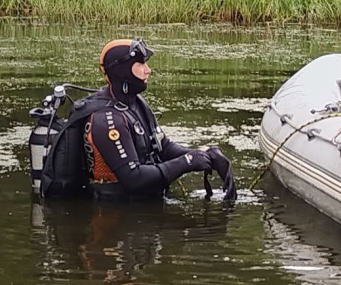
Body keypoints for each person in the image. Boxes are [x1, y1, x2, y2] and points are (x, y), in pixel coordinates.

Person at [84, 38, 237, 200]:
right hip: (114, 213)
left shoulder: (136, 103)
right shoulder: (107, 119)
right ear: (123, 71)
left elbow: (163, 147)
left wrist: (204, 155)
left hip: (143, 204)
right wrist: (187, 162)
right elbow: (133, 178)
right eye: (141, 65)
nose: (147, 70)